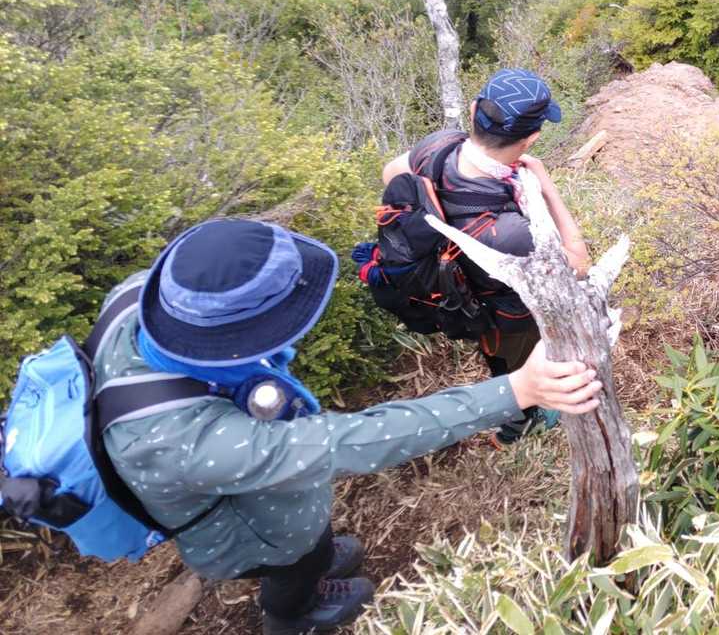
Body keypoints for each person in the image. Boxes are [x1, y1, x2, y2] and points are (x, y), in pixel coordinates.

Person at [96, 218, 601, 634]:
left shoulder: (149, 297)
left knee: (314, 546)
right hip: (254, 537)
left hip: (263, 497)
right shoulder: (182, 442)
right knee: (293, 566)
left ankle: (313, 562)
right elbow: (350, 441)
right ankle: (294, 613)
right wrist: (518, 391)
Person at [380, 68, 590, 444]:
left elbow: (392, 172)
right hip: (503, 313)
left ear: (474, 109)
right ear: (532, 138)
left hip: (463, 291)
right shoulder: (509, 233)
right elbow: (579, 265)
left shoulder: (440, 146)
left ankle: (514, 409)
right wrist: (547, 187)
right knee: (514, 364)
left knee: (497, 356)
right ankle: (516, 426)